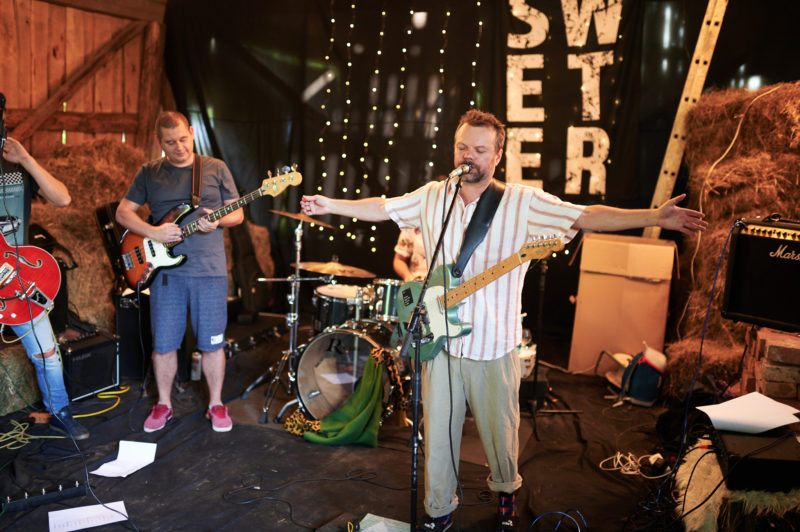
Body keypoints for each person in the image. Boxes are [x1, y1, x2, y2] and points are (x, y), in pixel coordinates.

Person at [301, 109, 707, 531]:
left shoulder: (521, 202)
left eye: (479, 149)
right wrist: (332, 204)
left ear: (497, 155)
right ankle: (439, 509)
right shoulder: (433, 195)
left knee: (501, 433)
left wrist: (654, 217)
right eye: (462, 147)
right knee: (437, 435)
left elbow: (585, 215)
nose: (468, 156)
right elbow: (383, 208)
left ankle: (505, 496)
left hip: (493, 342)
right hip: (439, 341)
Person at [115, 111, 243, 433]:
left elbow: (238, 213)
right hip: (166, 275)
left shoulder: (215, 168)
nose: (179, 148)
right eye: (170, 142)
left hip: (209, 272)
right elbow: (123, 213)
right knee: (163, 344)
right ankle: (163, 404)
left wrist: (218, 220)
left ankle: (216, 404)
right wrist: (153, 232)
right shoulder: (149, 172)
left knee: (212, 343)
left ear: (192, 132)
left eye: (183, 139)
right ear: (159, 141)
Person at [0, 137, 89, 440]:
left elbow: (62, 198)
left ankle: (60, 413)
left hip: (17, 277)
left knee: (47, 354)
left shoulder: (15, 162)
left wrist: (26, 159)